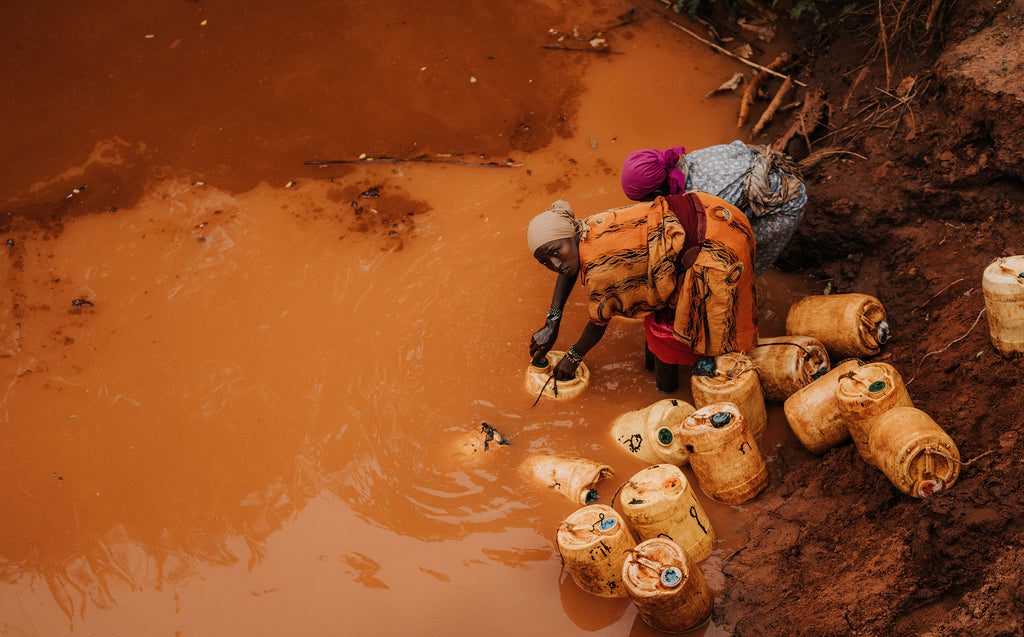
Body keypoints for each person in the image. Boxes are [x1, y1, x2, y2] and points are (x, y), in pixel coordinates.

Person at [528, 192, 758, 392]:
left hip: (718, 247)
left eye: (555, 252)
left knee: (710, 326)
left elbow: (599, 321)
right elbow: (568, 267)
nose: (555, 264)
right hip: (713, 210)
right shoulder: (588, 227)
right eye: (545, 262)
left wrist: (572, 357)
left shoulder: (600, 268)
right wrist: (552, 322)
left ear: (569, 235)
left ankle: (679, 385)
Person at [620, 141, 806, 274]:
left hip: (785, 204)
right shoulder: (681, 164)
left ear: (659, 190)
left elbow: (710, 242)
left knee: (741, 260)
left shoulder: (705, 199)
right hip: (753, 184)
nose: (645, 205)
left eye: (646, 199)